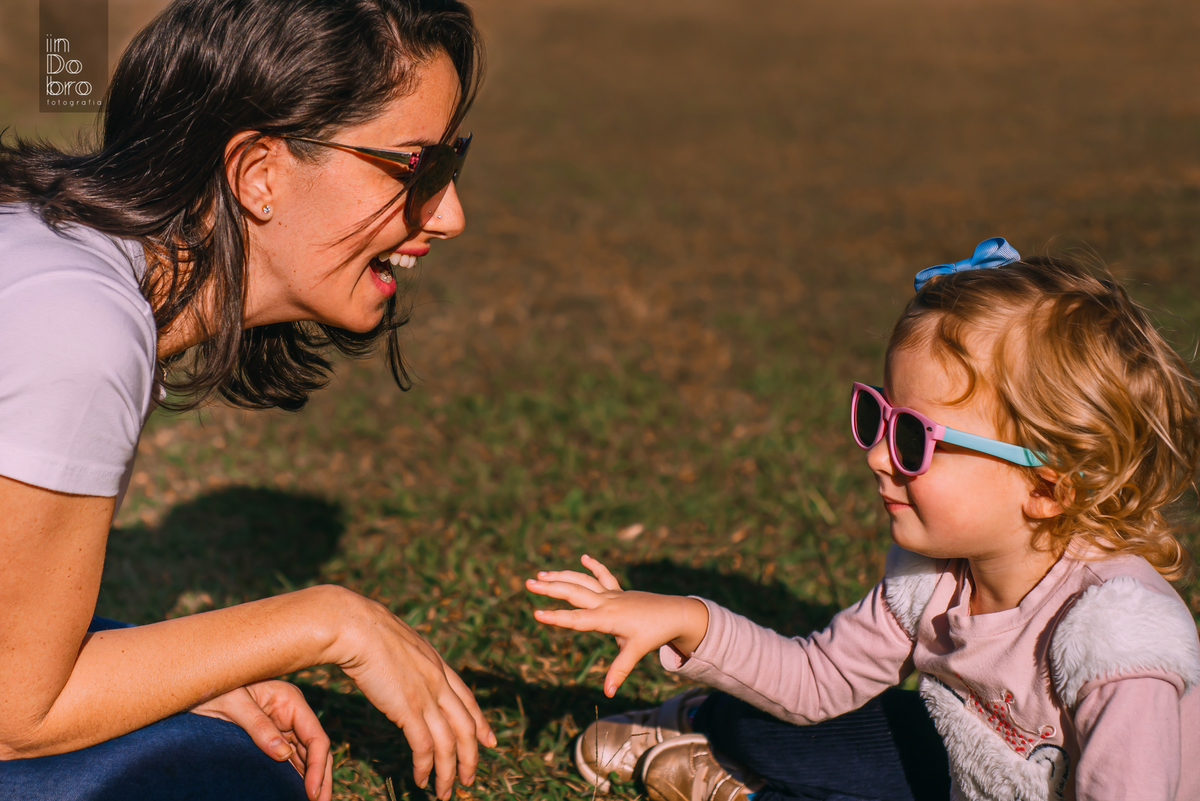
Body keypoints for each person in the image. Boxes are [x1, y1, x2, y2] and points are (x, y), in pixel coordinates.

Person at [0, 1, 495, 800]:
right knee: (218, 775)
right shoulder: (81, 327)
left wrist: (180, 673)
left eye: (453, 163)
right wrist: (329, 621)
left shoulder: (47, 246)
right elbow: (13, 713)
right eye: (417, 169)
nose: (450, 215)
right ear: (259, 173)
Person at [527, 239, 1200, 801]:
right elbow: (815, 681)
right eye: (880, 415)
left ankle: (726, 779)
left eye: (912, 438)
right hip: (972, 770)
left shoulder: (1115, 646)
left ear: (1045, 488)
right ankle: (715, 727)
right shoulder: (932, 578)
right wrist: (685, 618)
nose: (878, 455)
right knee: (757, 722)